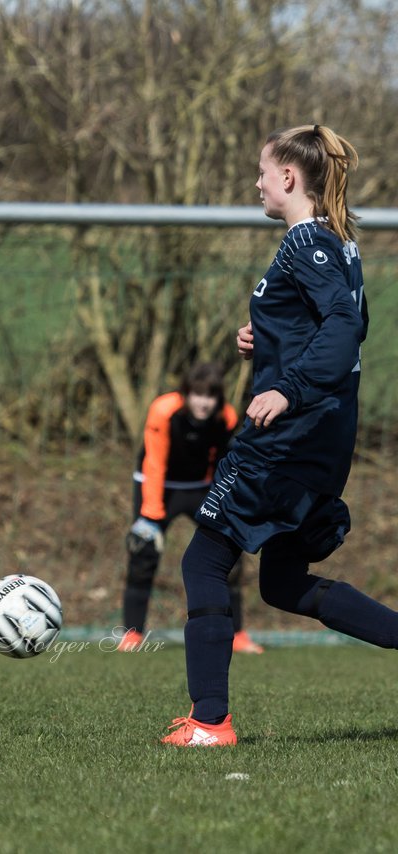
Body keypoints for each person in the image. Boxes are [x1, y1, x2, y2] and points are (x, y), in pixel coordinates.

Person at [162, 124, 398, 747]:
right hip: (323, 443)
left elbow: (345, 331)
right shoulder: (340, 246)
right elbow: (338, 325)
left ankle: (210, 721)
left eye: (263, 171)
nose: (257, 182)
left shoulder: (305, 244)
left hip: (284, 440)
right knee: (282, 583)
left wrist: (286, 388)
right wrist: (263, 339)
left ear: (289, 178)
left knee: (205, 560)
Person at [118, 362, 264, 655]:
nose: (203, 402)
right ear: (185, 393)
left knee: (229, 554)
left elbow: (227, 465)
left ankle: (236, 634)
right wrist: (149, 515)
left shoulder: (226, 417)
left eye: (210, 396)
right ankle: (132, 634)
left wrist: (227, 506)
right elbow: (154, 463)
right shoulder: (163, 410)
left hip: (201, 487)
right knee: (143, 553)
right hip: (159, 484)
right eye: (198, 394)